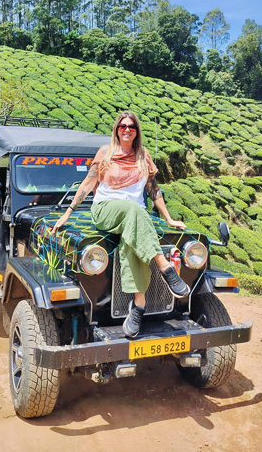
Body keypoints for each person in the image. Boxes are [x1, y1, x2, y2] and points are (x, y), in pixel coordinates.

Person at [51, 111, 190, 338]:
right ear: (116, 129)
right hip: (106, 210)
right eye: (123, 126)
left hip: (134, 218)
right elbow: (89, 183)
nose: (127, 129)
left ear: (137, 131)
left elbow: (153, 190)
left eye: (132, 126)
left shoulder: (142, 156)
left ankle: (138, 306)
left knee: (130, 241)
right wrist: (68, 212)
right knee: (134, 210)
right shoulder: (105, 153)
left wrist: (168, 218)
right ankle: (166, 267)